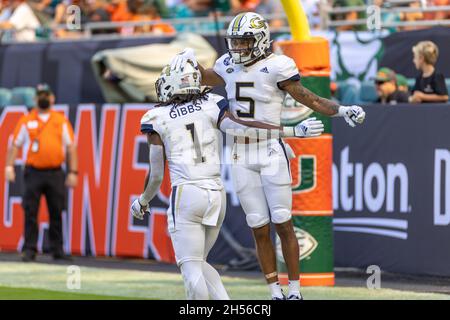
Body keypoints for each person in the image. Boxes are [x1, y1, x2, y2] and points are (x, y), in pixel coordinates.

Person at [170, 11, 365, 300]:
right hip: (240, 155)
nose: (237, 48)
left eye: (244, 42)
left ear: (260, 41)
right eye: (234, 42)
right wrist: (189, 61)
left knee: (283, 221)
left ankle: (295, 290)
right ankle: (274, 291)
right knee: (258, 225)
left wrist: (341, 110)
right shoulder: (227, 64)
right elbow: (202, 78)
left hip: (271, 151)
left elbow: (308, 97)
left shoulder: (278, 66)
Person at [130, 61, 323, 300]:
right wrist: (291, 131)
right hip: (215, 194)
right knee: (200, 263)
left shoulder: (156, 116)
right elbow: (244, 128)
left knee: (191, 271)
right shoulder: (211, 104)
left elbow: (156, 173)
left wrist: (142, 200)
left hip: (187, 194)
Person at [4, 83, 78, 262]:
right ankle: (29, 249)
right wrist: (9, 166)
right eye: (40, 95)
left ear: (52, 98)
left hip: (54, 172)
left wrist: (73, 171)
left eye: (46, 95)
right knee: (30, 211)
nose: (44, 98)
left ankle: (57, 249)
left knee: (56, 211)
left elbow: (70, 147)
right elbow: (15, 145)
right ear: (35, 99)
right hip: (33, 172)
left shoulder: (60, 121)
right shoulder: (26, 120)